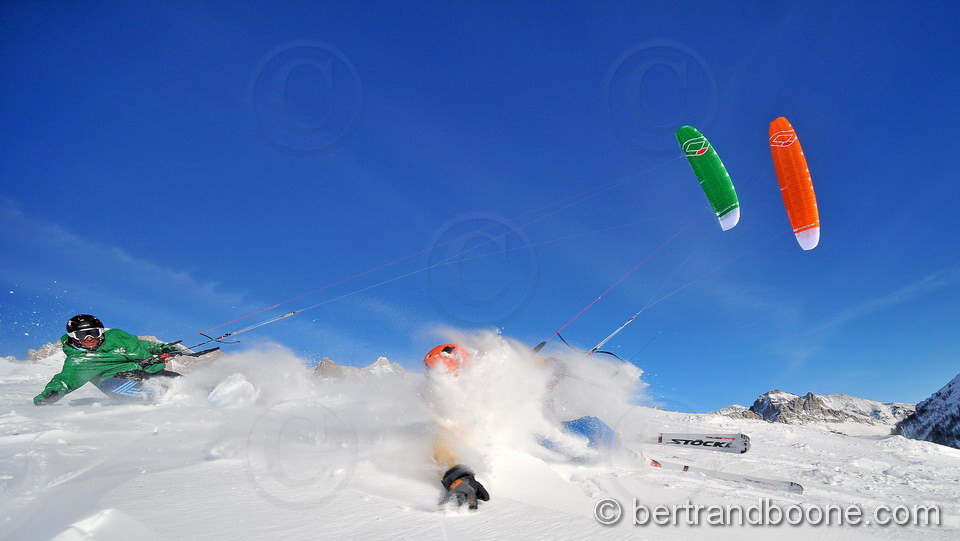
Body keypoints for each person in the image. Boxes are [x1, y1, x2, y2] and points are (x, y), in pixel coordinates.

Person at [33, 314, 181, 405]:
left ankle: (190, 392)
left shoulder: (116, 336)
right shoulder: (79, 361)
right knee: (123, 381)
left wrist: (162, 348)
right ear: (74, 338)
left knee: (179, 382)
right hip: (114, 380)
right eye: (82, 335)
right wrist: (50, 394)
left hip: (148, 370)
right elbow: (65, 381)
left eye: (93, 333)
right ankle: (156, 395)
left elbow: (142, 344)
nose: (89, 338)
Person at [423, 344, 490, 510]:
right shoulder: (444, 399)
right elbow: (443, 445)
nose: (430, 375)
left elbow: (443, 444)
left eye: (435, 371)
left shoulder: (466, 394)